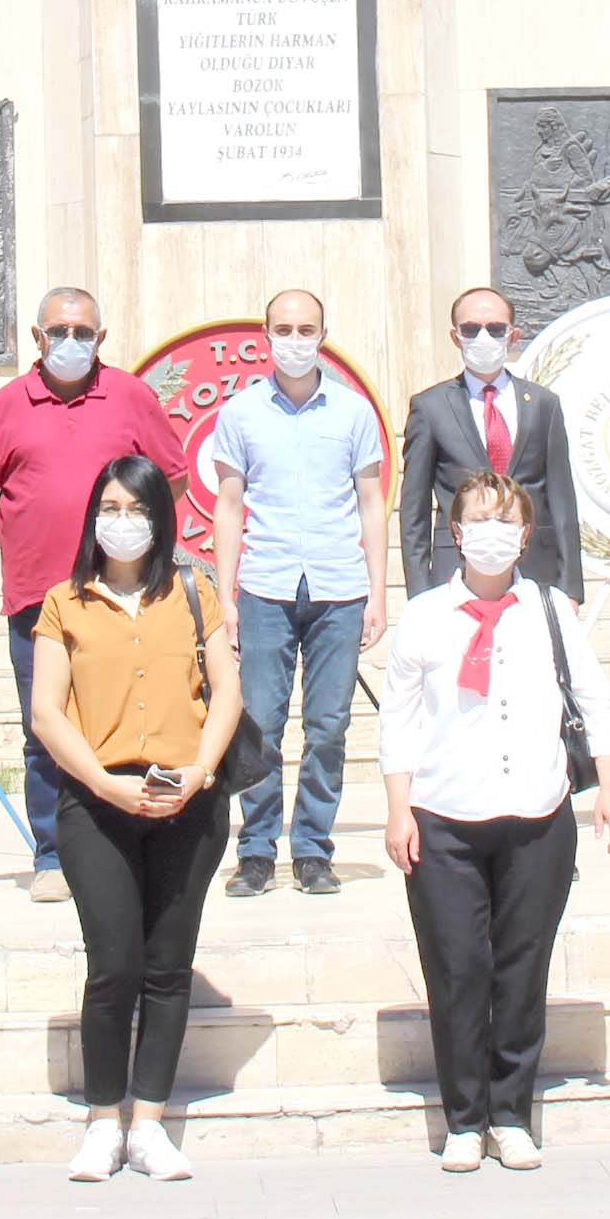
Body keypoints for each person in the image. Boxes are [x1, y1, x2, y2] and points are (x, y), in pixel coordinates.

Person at [380, 470, 610, 1173]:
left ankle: (511, 1112)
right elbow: (398, 719)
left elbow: (594, 697)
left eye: (506, 521)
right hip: (445, 814)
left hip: (536, 812)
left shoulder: (548, 609)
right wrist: (398, 808)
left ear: (525, 535)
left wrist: (609, 788)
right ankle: (464, 1118)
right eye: (477, 520)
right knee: (459, 967)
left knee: (522, 965)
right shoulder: (425, 615)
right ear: (456, 533)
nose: (492, 534)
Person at [27, 456, 245, 1183]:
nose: (124, 521)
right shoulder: (66, 603)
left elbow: (227, 694)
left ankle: (149, 1123)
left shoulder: (193, 592)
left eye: (137, 508)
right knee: (114, 964)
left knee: (167, 966)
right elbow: (47, 712)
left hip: (187, 799)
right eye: (111, 507)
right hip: (99, 804)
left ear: (161, 517)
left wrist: (201, 771)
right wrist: (103, 785)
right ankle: (101, 1121)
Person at [0, 288, 191, 904]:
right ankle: (53, 854)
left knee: (124, 716)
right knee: (48, 728)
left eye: (82, 332)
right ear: (36, 337)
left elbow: (173, 475)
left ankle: (130, 837)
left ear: (101, 338)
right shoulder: (8, 405)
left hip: (121, 595)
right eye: (58, 331)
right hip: (39, 595)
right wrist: (16, 541)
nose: (70, 342)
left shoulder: (131, 397)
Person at [206, 288, 390, 898]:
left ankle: (313, 848)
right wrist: (226, 597)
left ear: (323, 333)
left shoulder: (354, 412)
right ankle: (256, 851)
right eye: (282, 328)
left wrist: (380, 593)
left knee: (329, 725)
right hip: (266, 586)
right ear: (266, 335)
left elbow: (371, 503)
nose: (294, 339)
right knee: (259, 722)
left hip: (339, 587)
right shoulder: (240, 414)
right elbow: (228, 507)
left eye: (305, 328)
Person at [398, 284, 585, 596]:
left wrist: (570, 588)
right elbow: (413, 509)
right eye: (471, 329)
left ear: (513, 336)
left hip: (534, 568)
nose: (483, 338)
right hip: (456, 568)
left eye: (495, 328)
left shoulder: (542, 404)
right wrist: (419, 590)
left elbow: (563, 501)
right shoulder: (430, 408)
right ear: (455, 337)